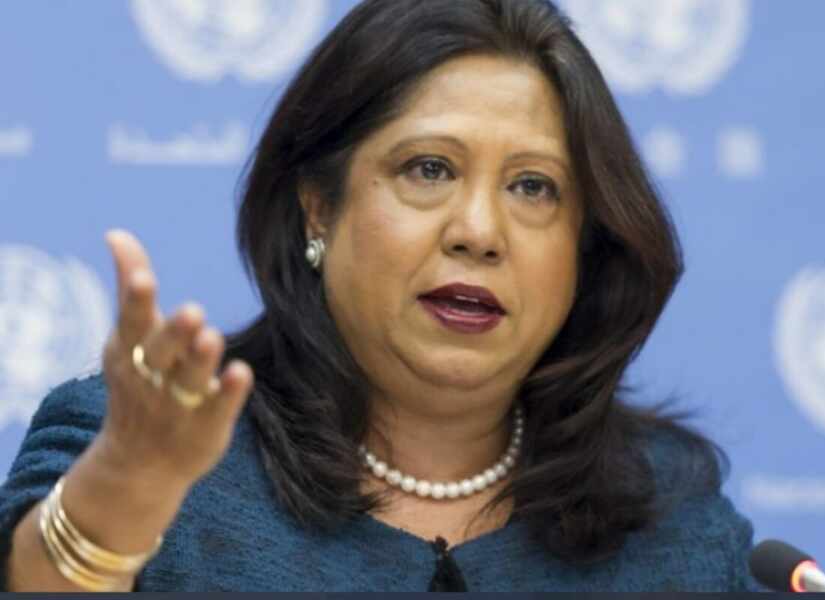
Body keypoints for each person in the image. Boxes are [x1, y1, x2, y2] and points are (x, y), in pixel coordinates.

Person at [0, 0, 764, 592]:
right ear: (318, 208)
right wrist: (122, 493)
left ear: (585, 242)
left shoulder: (670, 511)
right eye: (429, 169)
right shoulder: (138, 444)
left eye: (533, 187)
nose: (479, 232)